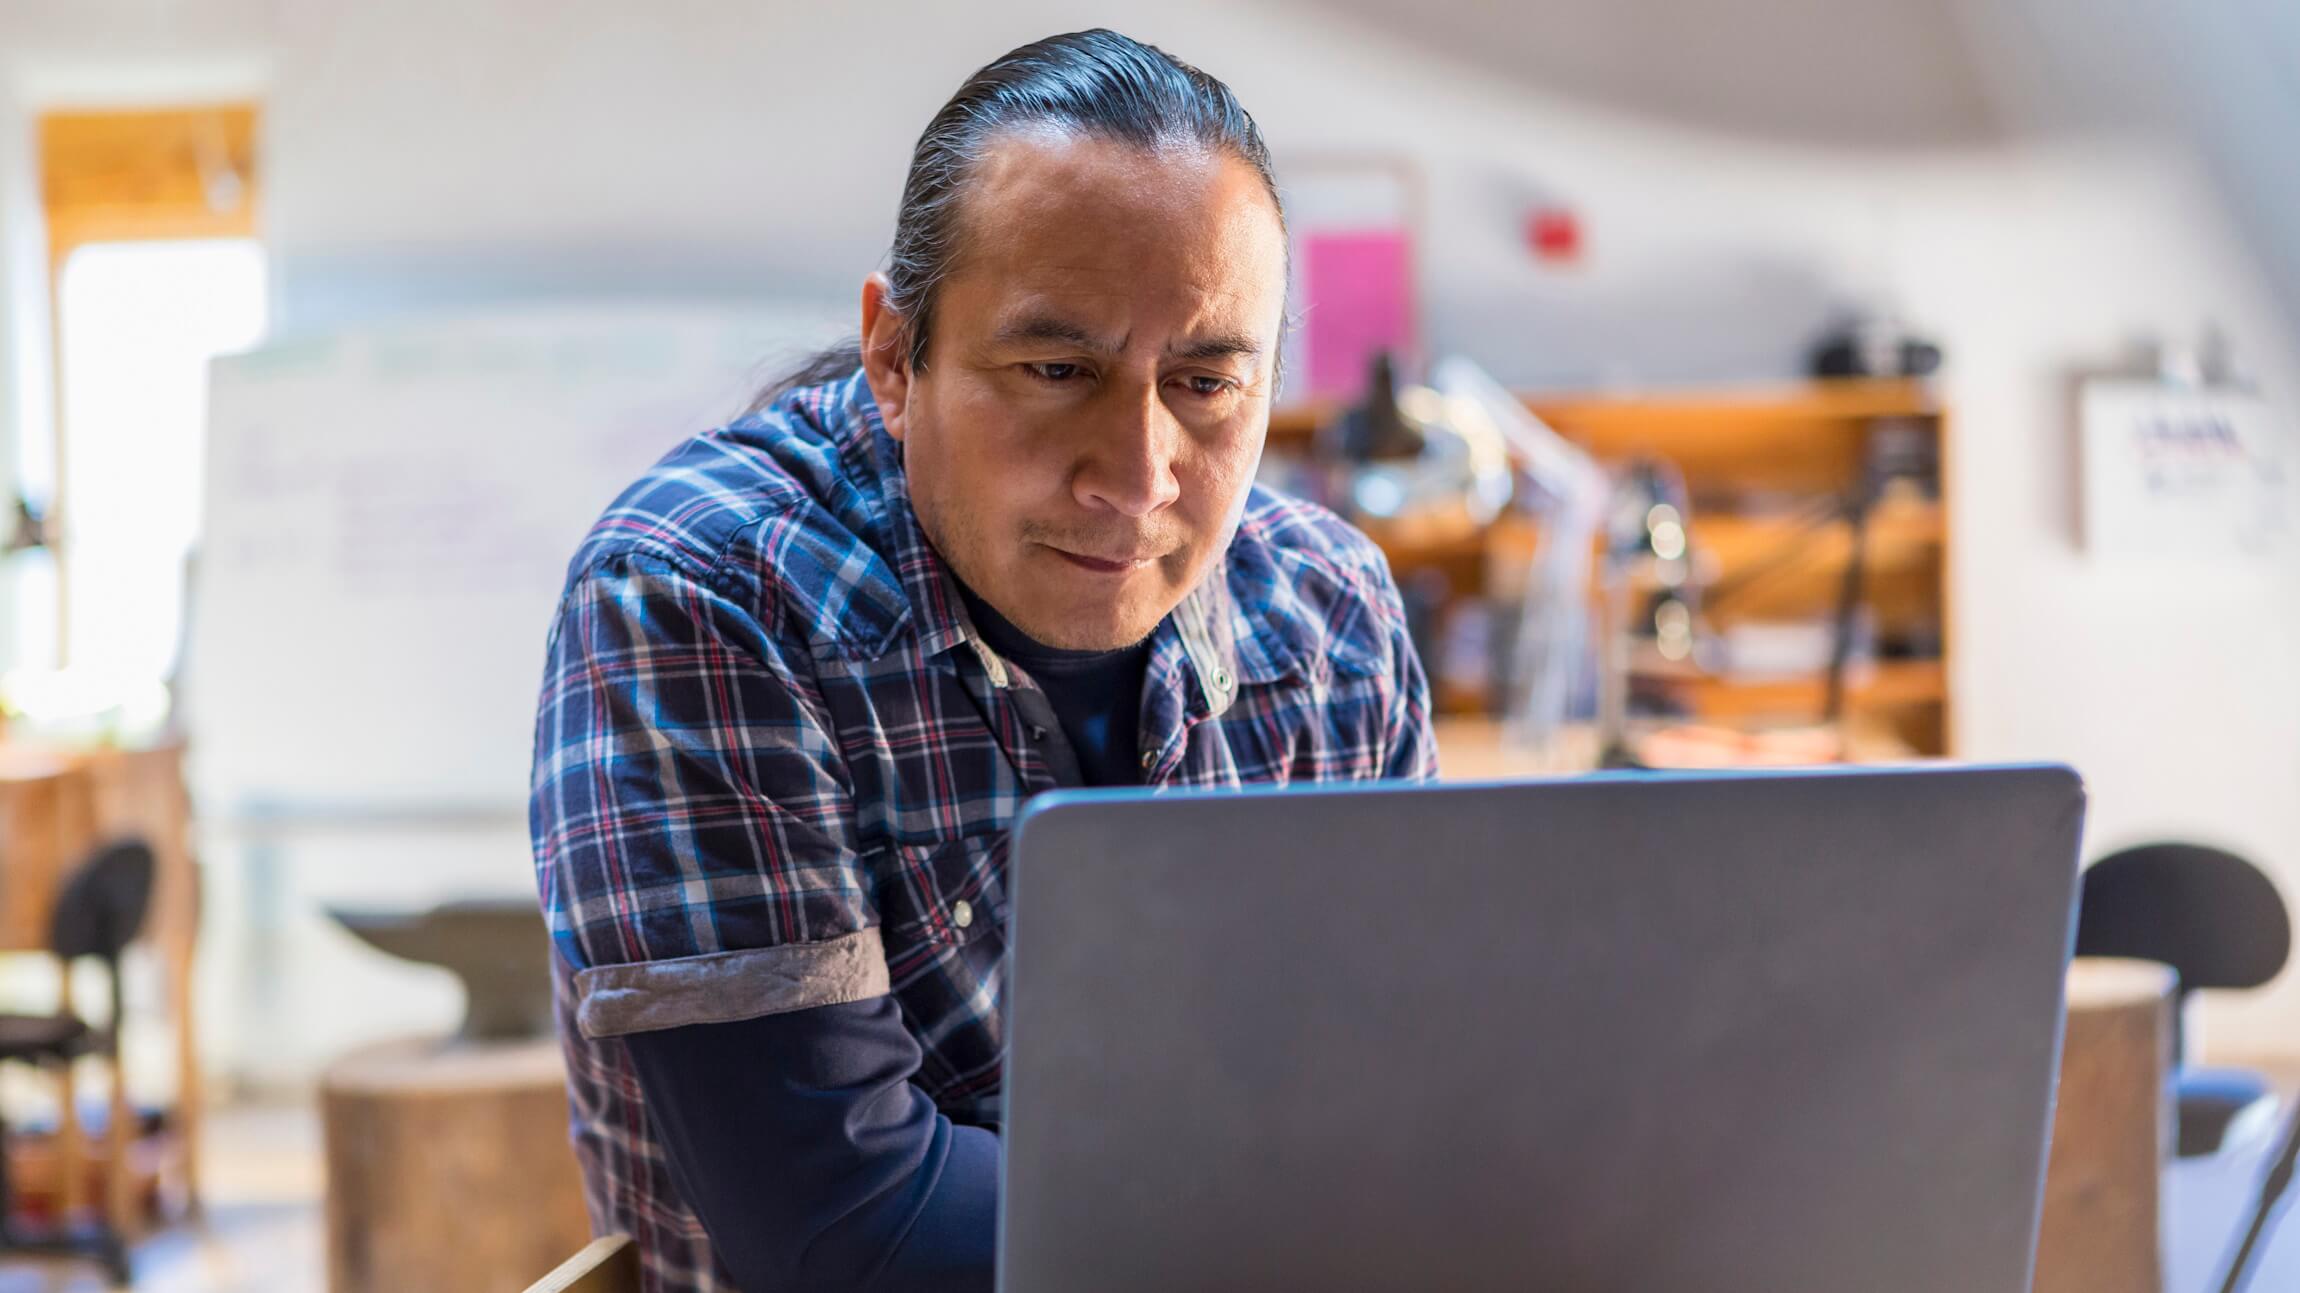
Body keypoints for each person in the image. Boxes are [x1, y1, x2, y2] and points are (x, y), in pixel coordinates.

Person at [530, 28, 1436, 1292]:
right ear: (895, 358)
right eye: (1055, 369)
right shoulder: (699, 598)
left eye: (1204, 382)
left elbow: (1411, 1092)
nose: (1135, 478)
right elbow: (846, 1231)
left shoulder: (1331, 618)